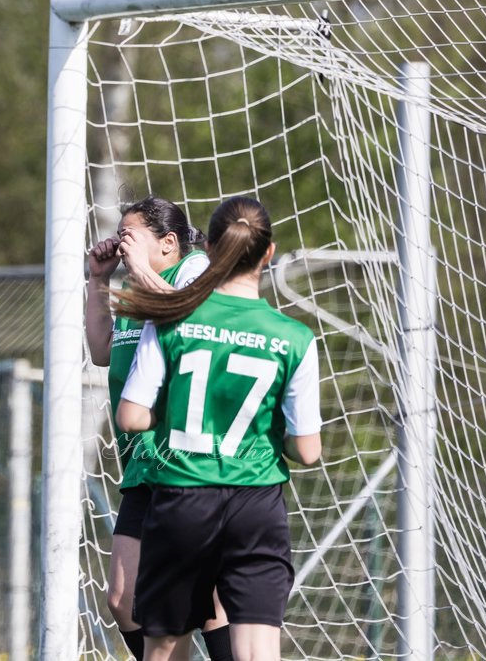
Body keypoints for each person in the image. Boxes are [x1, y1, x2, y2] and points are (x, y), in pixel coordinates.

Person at [114, 196, 323, 661]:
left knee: (165, 643)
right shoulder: (295, 338)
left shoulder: (171, 317)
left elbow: (131, 417)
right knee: (256, 649)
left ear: (207, 249)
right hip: (257, 501)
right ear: (268, 254)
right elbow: (307, 451)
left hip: (182, 494)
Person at [86, 196, 233, 661]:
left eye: (131, 234)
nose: (121, 242)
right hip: (142, 463)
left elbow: (192, 317)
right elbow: (102, 350)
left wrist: (138, 273)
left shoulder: (190, 270)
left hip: (185, 461)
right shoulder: (138, 289)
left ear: (168, 243)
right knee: (124, 601)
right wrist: (98, 280)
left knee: (202, 601)